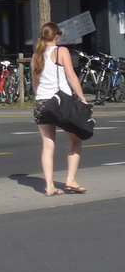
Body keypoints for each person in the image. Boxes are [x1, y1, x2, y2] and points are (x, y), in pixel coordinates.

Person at [32, 22, 88, 196]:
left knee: (48, 146)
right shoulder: (61, 51)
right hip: (61, 103)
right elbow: (71, 76)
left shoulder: (36, 55)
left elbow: (35, 84)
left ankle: (49, 186)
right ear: (57, 36)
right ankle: (70, 180)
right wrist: (82, 98)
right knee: (76, 140)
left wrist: (41, 96)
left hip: (42, 102)